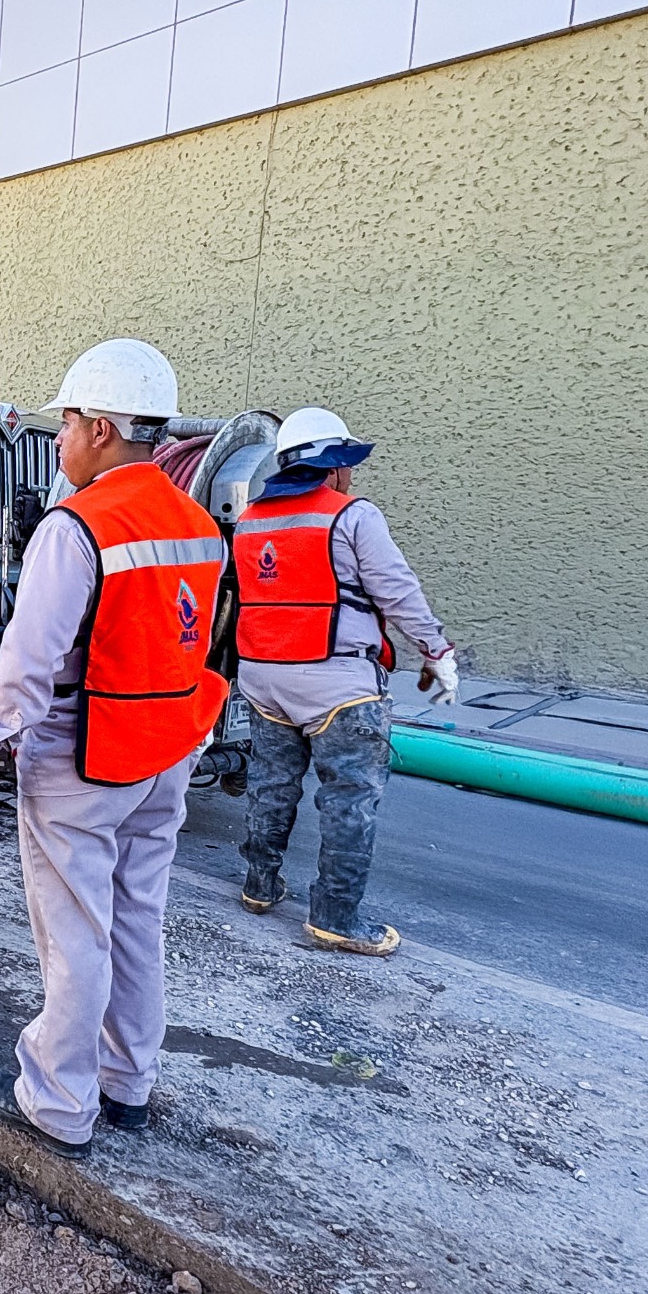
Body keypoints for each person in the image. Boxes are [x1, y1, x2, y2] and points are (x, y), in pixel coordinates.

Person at [0, 340, 227, 1159]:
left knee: (76, 930)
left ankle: (58, 1103)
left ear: (102, 429)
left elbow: (30, 660)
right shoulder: (198, 524)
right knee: (137, 919)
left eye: (69, 420)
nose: (63, 436)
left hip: (84, 754)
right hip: (165, 750)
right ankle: (128, 1085)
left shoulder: (78, 527)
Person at [232, 406, 455, 957]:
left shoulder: (251, 519)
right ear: (331, 467)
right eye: (347, 464)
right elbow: (396, 592)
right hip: (338, 685)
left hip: (263, 679)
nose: (351, 476)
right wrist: (437, 651)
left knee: (270, 785)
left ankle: (260, 887)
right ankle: (335, 918)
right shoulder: (352, 516)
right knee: (349, 800)